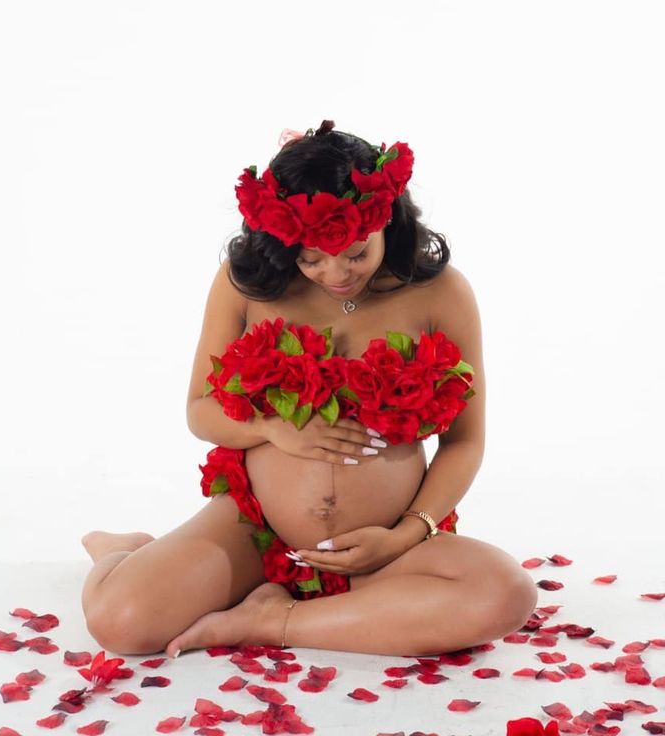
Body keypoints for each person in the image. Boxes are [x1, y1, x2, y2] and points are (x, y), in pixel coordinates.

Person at [80, 120, 538, 658]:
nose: (335, 273)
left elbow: (464, 441)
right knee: (120, 623)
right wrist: (276, 430)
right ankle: (120, 552)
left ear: (386, 221)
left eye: (355, 254)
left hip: (387, 545)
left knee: (505, 594)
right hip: (255, 534)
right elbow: (199, 411)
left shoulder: (442, 294)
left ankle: (268, 619)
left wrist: (406, 534)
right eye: (311, 257)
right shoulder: (244, 284)